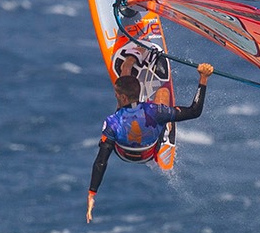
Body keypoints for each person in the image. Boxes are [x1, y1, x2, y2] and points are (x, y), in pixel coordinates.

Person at [86, 60, 213, 221]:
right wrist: (203, 78)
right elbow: (194, 111)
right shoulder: (155, 111)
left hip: (124, 153)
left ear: (123, 97)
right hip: (149, 151)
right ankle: (167, 128)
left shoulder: (113, 122)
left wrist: (92, 193)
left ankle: (130, 63)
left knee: (125, 76)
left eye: (117, 94)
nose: (115, 95)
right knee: (163, 94)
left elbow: (101, 161)